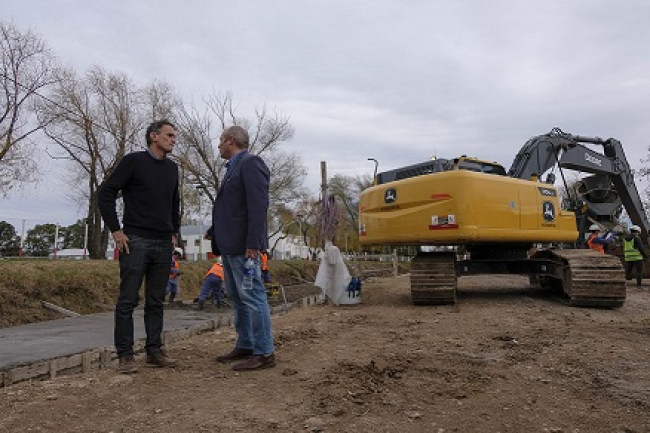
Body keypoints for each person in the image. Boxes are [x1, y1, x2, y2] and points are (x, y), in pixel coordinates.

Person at [98, 119, 180, 374]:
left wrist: (173, 232)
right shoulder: (133, 162)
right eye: (169, 135)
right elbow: (105, 192)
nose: (173, 139)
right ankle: (125, 356)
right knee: (128, 300)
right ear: (154, 136)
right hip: (135, 240)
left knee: (156, 300)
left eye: (174, 136)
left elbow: (174, 202)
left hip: (163, 242)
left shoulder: (172, 169)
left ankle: (154, 351)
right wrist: (116, 230)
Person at [207, 125, 275, 371]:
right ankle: (246, 343)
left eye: (220, 140)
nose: (218, 146)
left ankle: (264, 351)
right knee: (237, 297)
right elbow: (235, 208)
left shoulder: (250, 163)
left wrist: (253, 244)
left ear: (230, 141)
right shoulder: (233, 168)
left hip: (245, 249)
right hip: (231, 246)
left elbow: (258, 206)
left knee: (253, 296)